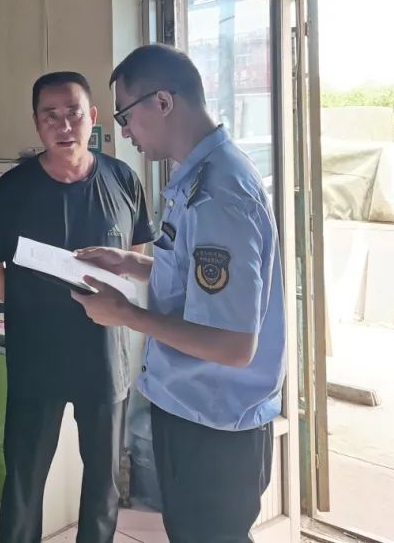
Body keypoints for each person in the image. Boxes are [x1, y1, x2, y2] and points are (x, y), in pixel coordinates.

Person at [73, 44, 286, 543]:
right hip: (191, 410)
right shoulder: (193, 177)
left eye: (125, 115)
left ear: (163, 102)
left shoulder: (220, 192)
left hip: (216, 425)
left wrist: (125, 314)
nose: (125, 132)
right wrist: (131, 264)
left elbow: (234, 344)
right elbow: (198, 284)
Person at [0, 71, 154, 543]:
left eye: (73, 113)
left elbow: (137, 254)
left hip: (103, 357)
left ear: (92, 117)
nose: (63, 125)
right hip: (36, 357)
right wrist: (32, 309)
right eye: (50, 116)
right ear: (37, 123)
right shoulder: (12, 190)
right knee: (24, 478)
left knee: (103, 481)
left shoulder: (122, 179)